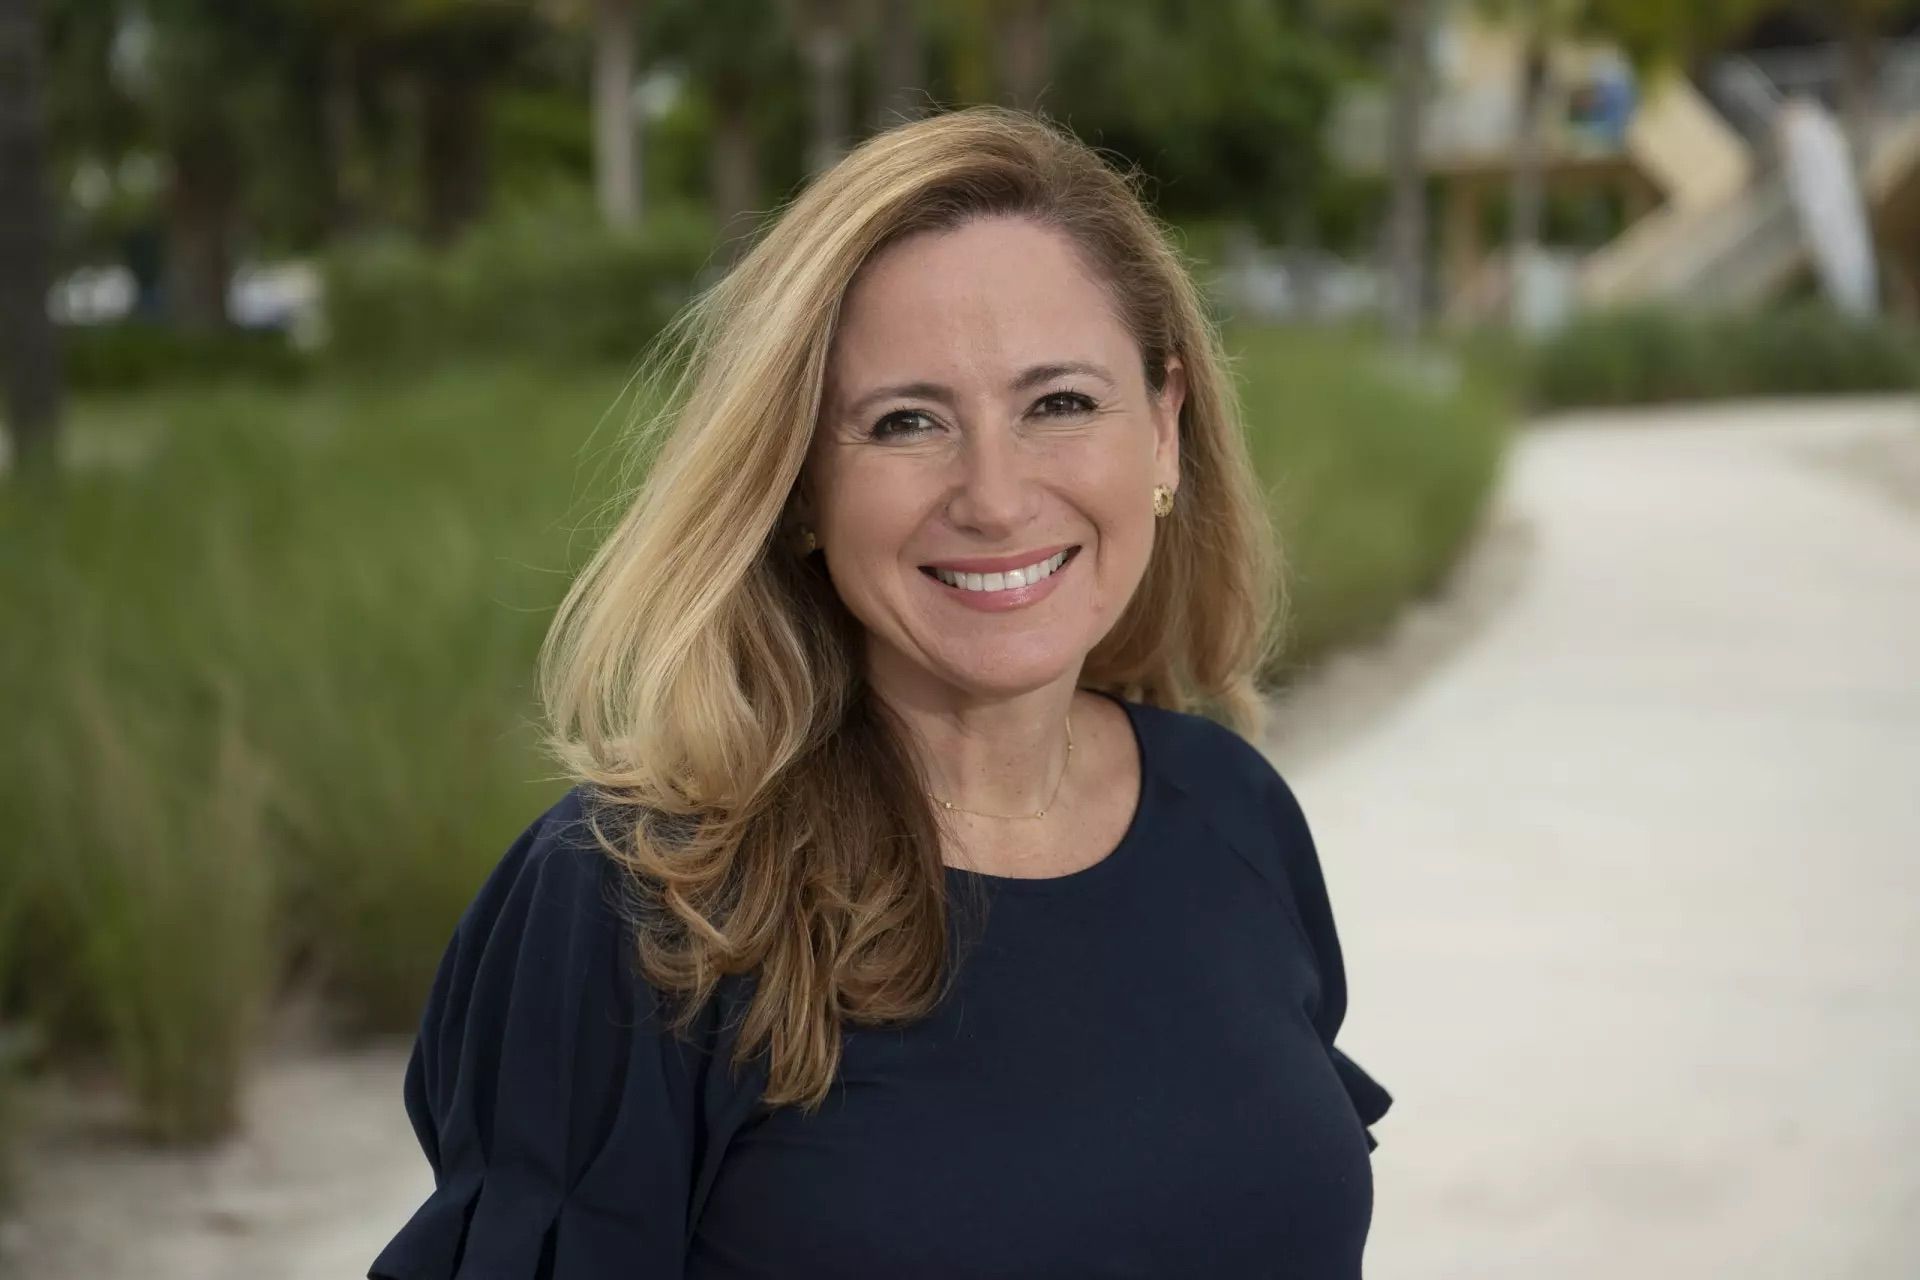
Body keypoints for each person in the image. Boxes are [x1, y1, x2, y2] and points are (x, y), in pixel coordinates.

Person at [369, 105, 1390, 1280]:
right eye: (906, 422)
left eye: (1059, 402)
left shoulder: (1232, 813)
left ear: (1164, 429)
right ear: (798, 483)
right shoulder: (639, 904)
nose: (996, 498)